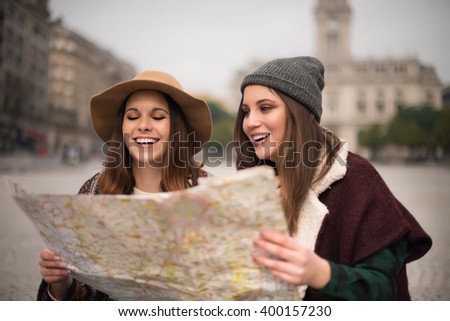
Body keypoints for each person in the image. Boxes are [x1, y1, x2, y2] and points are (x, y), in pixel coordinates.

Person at [233, 56, 432, 300]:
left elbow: (383, 289)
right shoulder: (255, 183)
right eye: (246, 111)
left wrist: (319, 273)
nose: (250, 122)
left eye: (265, 107)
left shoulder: (355, 176)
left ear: (301, 113)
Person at [37, 70, 212, 300]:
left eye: (158, 117)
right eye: (132, 116)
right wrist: (59, 282)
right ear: (122, 127)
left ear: (177, 129)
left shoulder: (208, 193)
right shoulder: (93, 192)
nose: (143, 126)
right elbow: (75, 295)